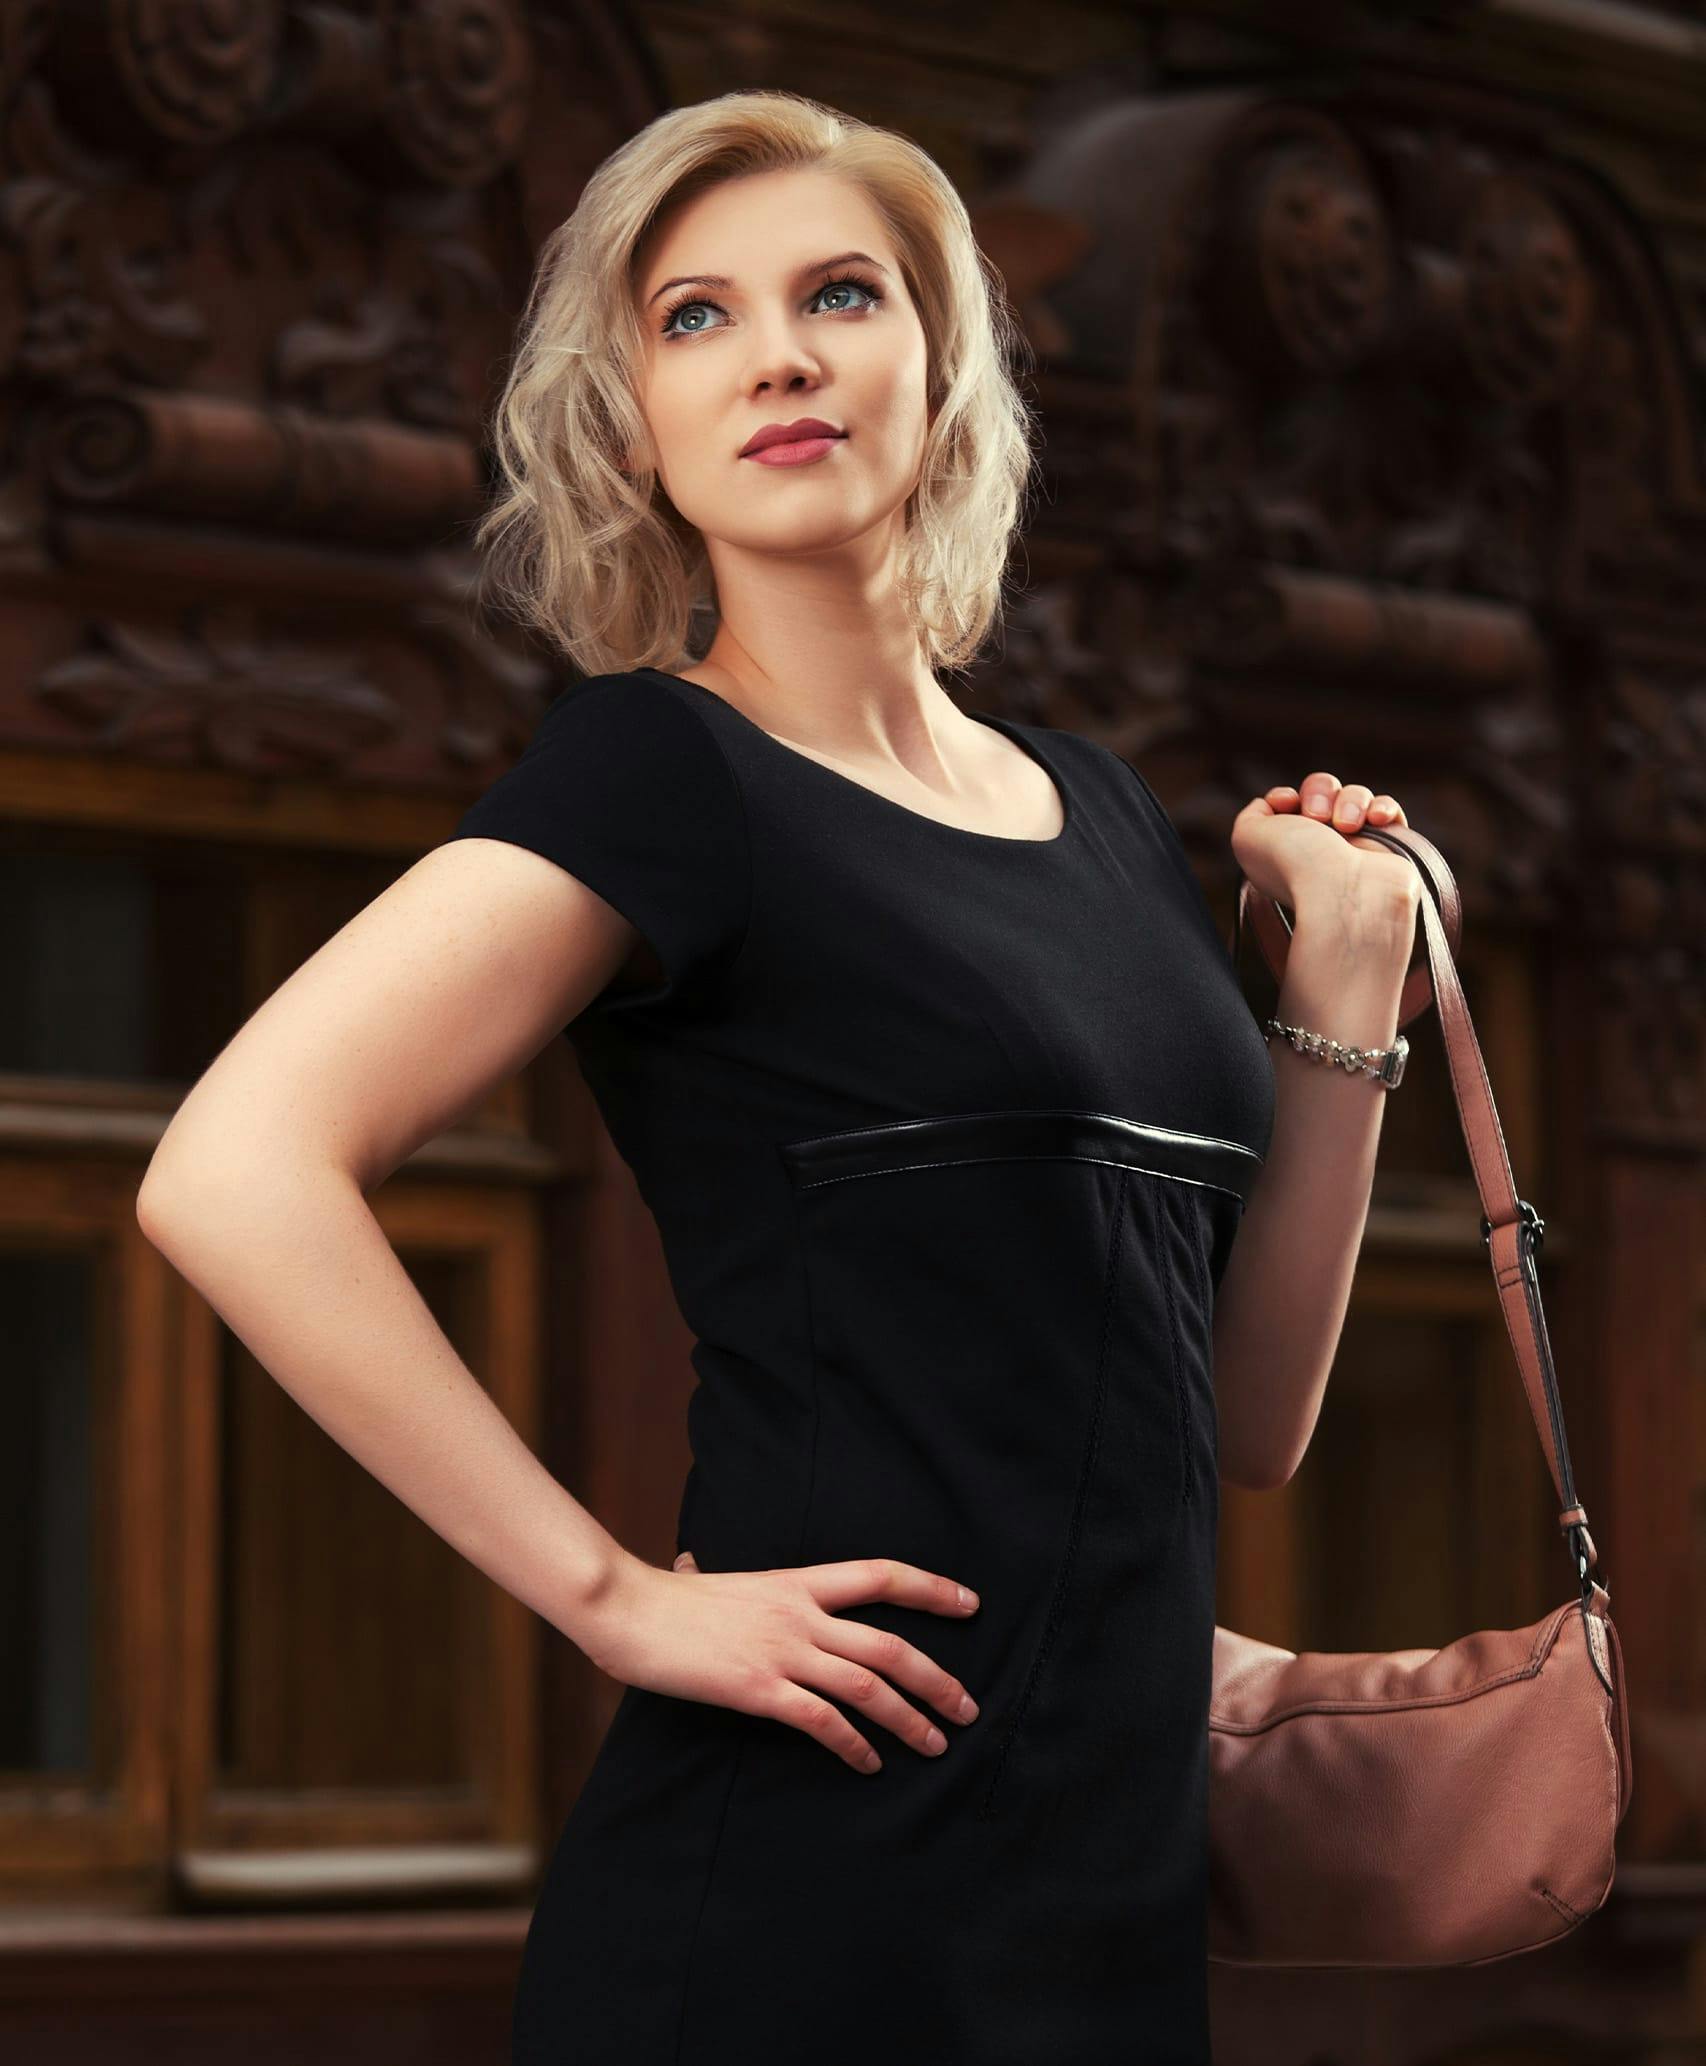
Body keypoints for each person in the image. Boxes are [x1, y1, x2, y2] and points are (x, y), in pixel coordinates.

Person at [137, 88, 1420, 2066]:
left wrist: (1343, 980)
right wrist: (610, 1595)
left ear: (940, 358)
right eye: (695, 318)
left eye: (839, 293)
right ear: (629, 418)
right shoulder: (663, 770)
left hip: (1110, 1894)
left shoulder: (1092, 807)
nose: (781, 357)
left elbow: (1241, 1415)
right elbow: (231, 1166)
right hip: (803, 1892)